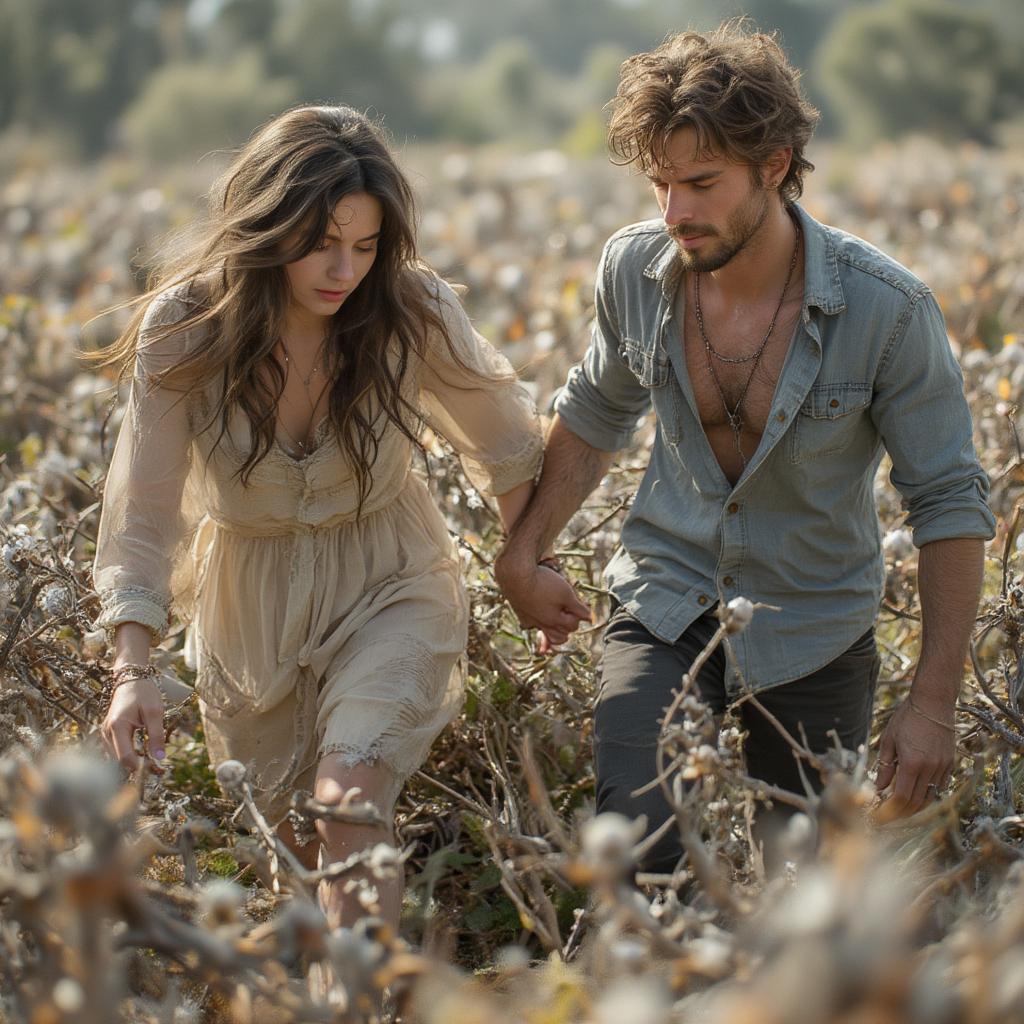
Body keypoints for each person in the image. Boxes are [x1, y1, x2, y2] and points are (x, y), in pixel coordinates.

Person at [495, 22, 995, 872]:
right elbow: (593, 412)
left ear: (774, 164)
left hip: (815, 618)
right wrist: (522, 552)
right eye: (660, 184)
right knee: (637, 842)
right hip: (665, 591)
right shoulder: (632, 271)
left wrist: (934, 703)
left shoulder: (888, 311)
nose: (675, 211)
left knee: (808, 887)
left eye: (701, 182)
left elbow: (948, 500)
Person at [93, 105, 543, 928]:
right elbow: (143, 514)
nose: (344, 270)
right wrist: (133, 669)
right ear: (264, 227)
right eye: (321, 242)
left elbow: (508, 445)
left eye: (366, 246)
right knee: (299, 856)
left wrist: (526, 568)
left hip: (392, 582)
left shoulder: (410, 310)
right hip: (250, 616)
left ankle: (359, 1005)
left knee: (347, 798)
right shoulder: (185, 331)